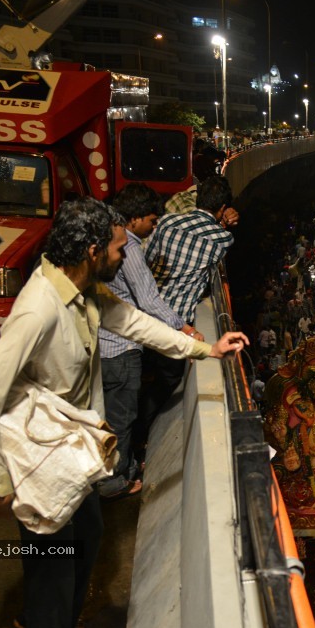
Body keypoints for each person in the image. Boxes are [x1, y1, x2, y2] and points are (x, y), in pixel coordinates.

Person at [0, 197, 249, 628]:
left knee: (87, 536)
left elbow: (132, 321)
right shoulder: (40, 309)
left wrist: (204, 349)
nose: (125, 255)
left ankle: (45, 620)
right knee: (51, 567)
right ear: (92, 250)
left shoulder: (84, 289)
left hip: (75, 449)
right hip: (39, 457)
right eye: (117, 248)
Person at [97, 183, 203, 500]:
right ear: (135, 219)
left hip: (102, 345)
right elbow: (148, 301)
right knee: (122, 418)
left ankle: (121, 467)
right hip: (120, 348)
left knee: (110, 414)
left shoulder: (108, 240)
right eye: (152, 221)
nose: (153, 228)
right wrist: (184, 328)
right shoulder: (126, 247)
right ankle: (115, 480)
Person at [140, 175, 239, 439]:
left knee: (141, 377)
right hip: (177, 323)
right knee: (168, 381)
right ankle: (144, 434)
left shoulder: (168, 221)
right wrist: (225, 223)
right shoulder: (222, 238)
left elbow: (146, 259)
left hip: (147, 312)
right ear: (221, 209)